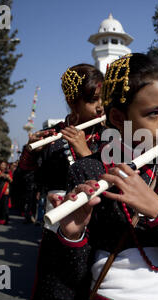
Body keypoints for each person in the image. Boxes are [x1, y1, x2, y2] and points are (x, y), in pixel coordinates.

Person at [32, 53, 158, 300]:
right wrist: (72, 234)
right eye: (153, 113)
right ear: (119, 117)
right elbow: (69, 278)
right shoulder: (88, 170)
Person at [15, 63, 105, 225]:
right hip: (58, 225)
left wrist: (85, 155)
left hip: (100, 224)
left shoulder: (110, 134)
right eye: (93, 100)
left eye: (103, 98)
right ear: (72, 101)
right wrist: (31, 154)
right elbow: (22, 190)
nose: (101, 106)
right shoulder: (53, 138)